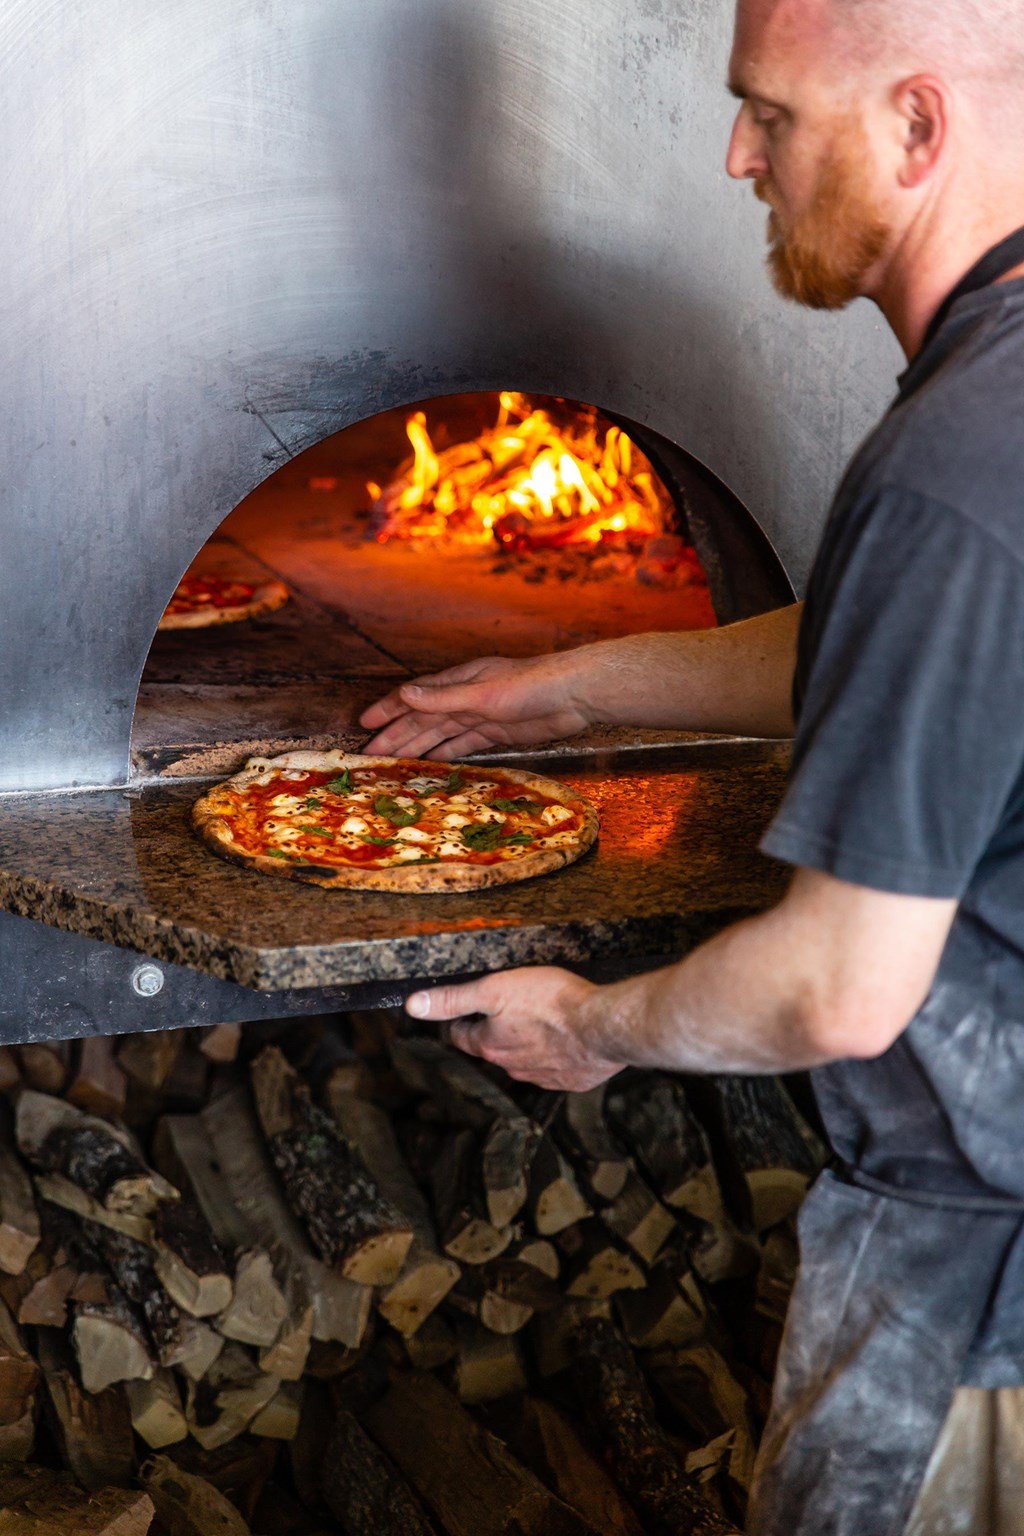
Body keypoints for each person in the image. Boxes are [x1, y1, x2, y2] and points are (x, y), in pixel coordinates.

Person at [362, 0, 1024, 1529]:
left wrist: (596, 1025)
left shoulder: (956, 465)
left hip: (980, 1306)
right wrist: (566, 692)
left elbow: (837, 988)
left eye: (774, 115)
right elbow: (904, 654)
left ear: (919, 127)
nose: (736, 157)